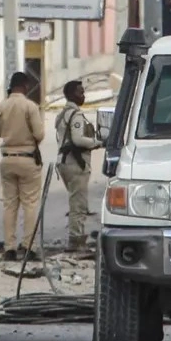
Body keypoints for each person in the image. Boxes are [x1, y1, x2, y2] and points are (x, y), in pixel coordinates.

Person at [0, 71, 46, 261]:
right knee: (30, 204)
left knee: (9, 205)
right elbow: (39, 135)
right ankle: (28, 246)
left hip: (7, 159)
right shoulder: (30, 106)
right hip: (27, 159)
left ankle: (9, 248)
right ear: (24, 86)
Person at [56, 80, 101, 251]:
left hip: (64, 163)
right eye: (80, 93)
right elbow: (78, 139)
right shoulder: (75, 115)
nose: (83, 96)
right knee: (78, 205)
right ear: (72, 95)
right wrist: (96, 142)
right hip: (74, 163)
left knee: (76, 201)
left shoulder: (63, 114)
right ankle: (76, 241)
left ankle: (76, 238)